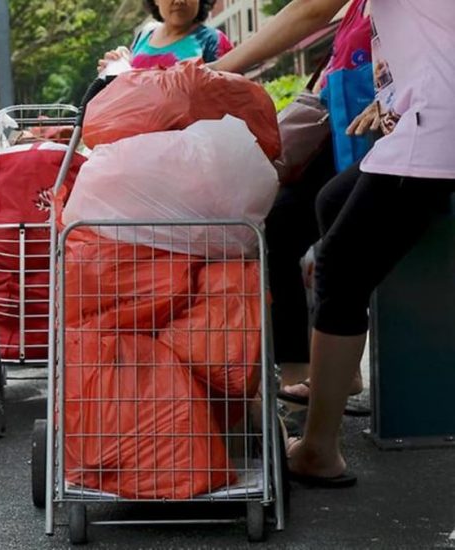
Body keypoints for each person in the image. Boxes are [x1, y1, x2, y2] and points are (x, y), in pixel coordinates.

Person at [211, 0, 455, 485]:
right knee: (331, 200)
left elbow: (310, 8)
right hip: (424, 117)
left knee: (341, 264)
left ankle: (319, 449)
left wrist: (214, 71)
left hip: (436, 131)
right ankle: (342, 372)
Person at [265, 0, 373, 407]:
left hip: (382, 136)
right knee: (299, 235)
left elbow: (307, 10)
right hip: (344, 133)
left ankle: (327, 382)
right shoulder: (356, 10)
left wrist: (220, 67)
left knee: (340, 254)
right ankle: (318, 373)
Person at [97, 0, 232, 74]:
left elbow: (230, 95)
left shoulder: (213, 40)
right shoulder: (145, 35)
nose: (179, 1)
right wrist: (113, 68)